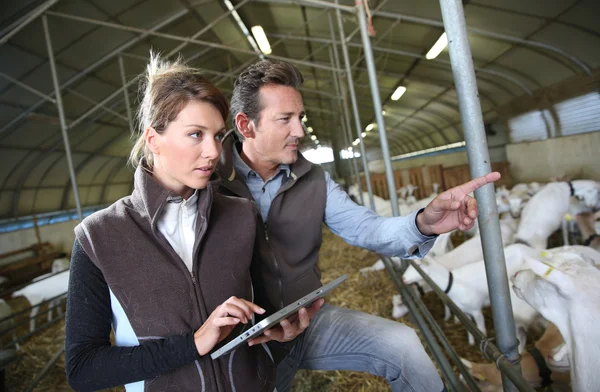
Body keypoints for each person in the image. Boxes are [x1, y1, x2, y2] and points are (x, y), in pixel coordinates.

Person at [216, 58, 501, 392]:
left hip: (306, 319)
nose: (300, 131)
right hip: (238, 339)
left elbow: (368, 228)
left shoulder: (313, 180)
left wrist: (424, 222)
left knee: (403, 343)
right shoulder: (209, 181)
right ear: (246, 126)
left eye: (300, 117)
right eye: (285, 119)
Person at [64, 54, 275, 392]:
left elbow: (265, 306)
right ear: (153, 140)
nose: (213, 152)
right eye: (195, 134)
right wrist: (192, 344)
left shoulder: (241, 216)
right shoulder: (99, 237)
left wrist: (281, 328)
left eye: (218, 136)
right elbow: (83, 369)